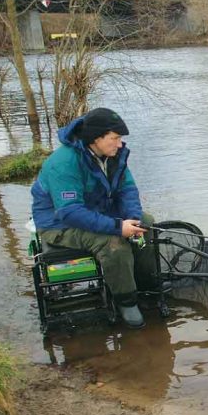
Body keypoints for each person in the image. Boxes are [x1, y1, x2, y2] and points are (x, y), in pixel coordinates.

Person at [31, 107, 156, 329]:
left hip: (96, 211)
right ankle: (126, 301)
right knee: (113, 242)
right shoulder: (64, 162)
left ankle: (146, 286)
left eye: (120, 139)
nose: (119, 144)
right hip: (59, 224)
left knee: (146, 222)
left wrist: (133, 219)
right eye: (114, 138)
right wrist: (118, 227)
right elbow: (69, 212)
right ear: (96, 138)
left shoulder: (113, 155)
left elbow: (127, 190)